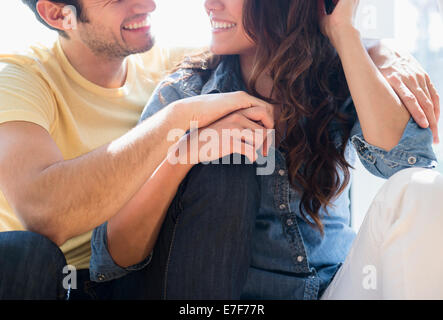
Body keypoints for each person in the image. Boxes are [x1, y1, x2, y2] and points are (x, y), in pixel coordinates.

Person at [0, 0, 437, 300]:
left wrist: (350, 35)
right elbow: (108, 255)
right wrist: (183, 148)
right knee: (222, 166)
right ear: (59, 14)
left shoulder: (337, 74)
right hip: (237, 295)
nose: (208, 3)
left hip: (336, 285)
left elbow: (404, 163)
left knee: (424, 190)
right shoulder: (187, 89)